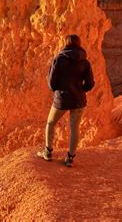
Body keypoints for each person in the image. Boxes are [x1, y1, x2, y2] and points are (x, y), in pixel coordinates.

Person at [37, 34, 95, 167]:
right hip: (78, 100)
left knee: (51, 123)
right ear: (79, 44)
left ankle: (48, 152)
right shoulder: (84, 62)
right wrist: (81, 90)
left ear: (66, 44)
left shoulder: (58, 59)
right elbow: (90, 83)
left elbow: (51, 83)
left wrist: (60, 90)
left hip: (61, 99)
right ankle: (70, 159)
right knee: (75, 128)